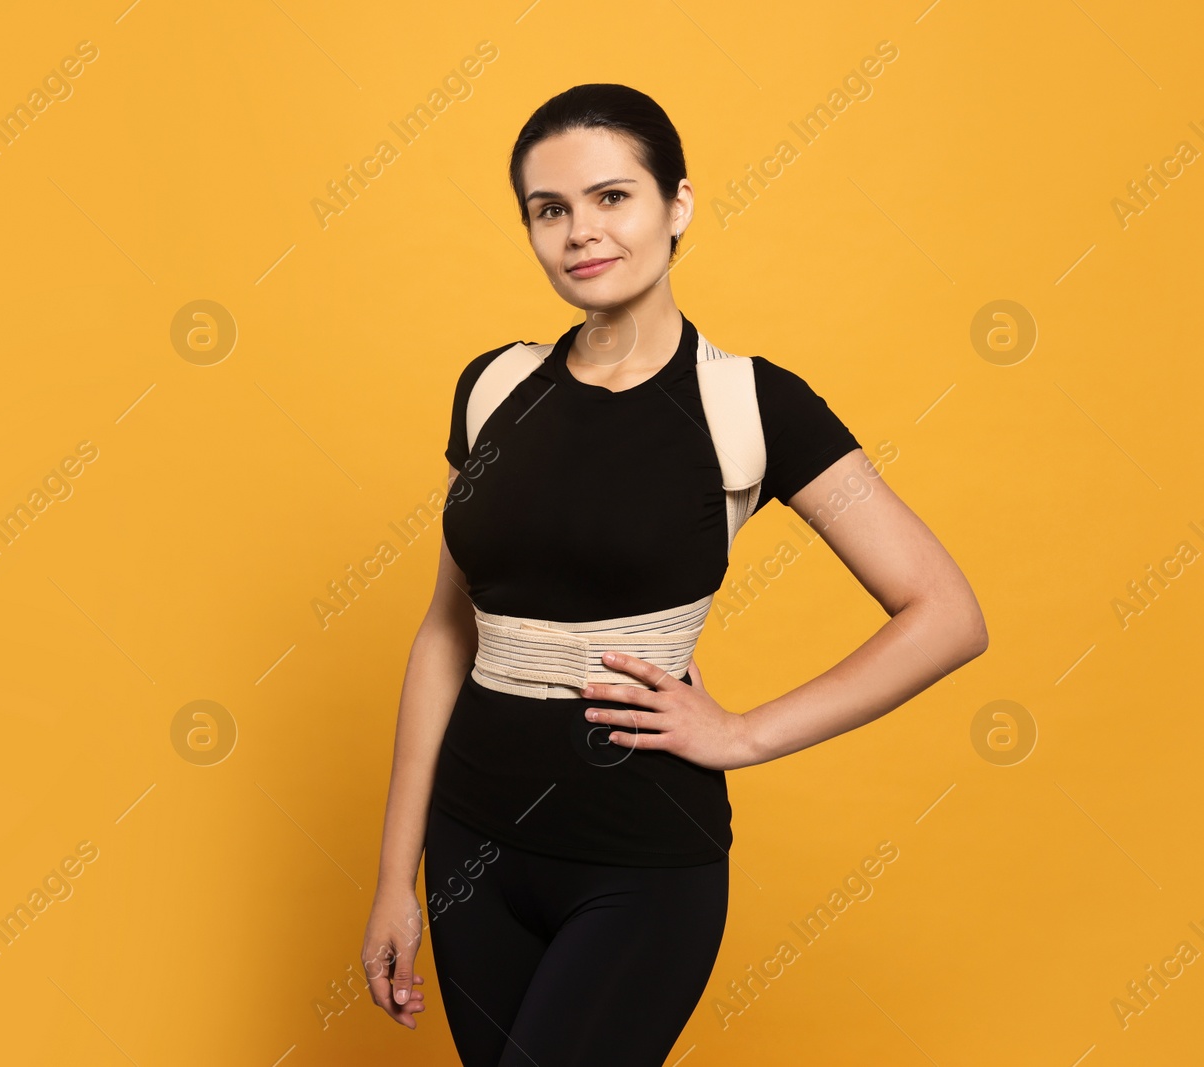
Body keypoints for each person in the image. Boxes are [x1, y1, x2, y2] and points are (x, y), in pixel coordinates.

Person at [360, 83, 988, 1066]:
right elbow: (446, 632)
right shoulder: (490, 387)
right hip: (472, 853)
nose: (580, 231)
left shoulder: (750, 403)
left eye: (612, 197)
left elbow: (945, 612)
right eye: (549, 208)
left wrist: (743, 732)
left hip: (639, 863)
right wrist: (396, 876)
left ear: (676, 206)